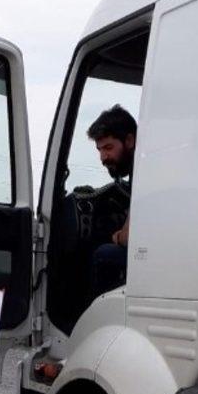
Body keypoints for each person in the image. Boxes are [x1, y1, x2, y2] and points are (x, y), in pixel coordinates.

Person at [86, 105, 137, 296]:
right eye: (99, 150)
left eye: (108, 148)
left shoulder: (144, 169)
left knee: (103, 255)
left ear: (129, 140)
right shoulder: (141, 167)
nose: (103, 158)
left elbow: (130, 236)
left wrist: (119, 236)